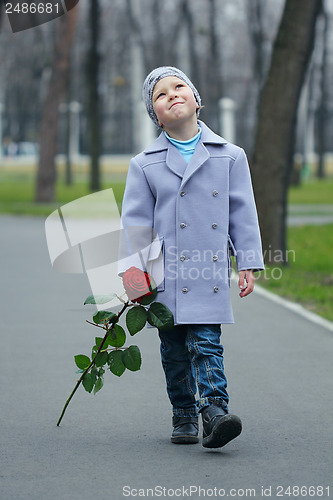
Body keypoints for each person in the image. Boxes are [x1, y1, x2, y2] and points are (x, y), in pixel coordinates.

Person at [120, 66, 264, 448]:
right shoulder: (144, 163)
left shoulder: (230, 156)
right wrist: (135, 278)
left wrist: (246, 261)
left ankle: (214, 412)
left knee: (205, 343)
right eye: (160, 95)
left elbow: (242, 212)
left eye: (178, 86)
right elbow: (135, 225)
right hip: (164, 277)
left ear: (197, 100)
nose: (171, 94)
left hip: (208, 273)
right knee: (173, 351)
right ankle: (183, 414)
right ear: (156, 115)